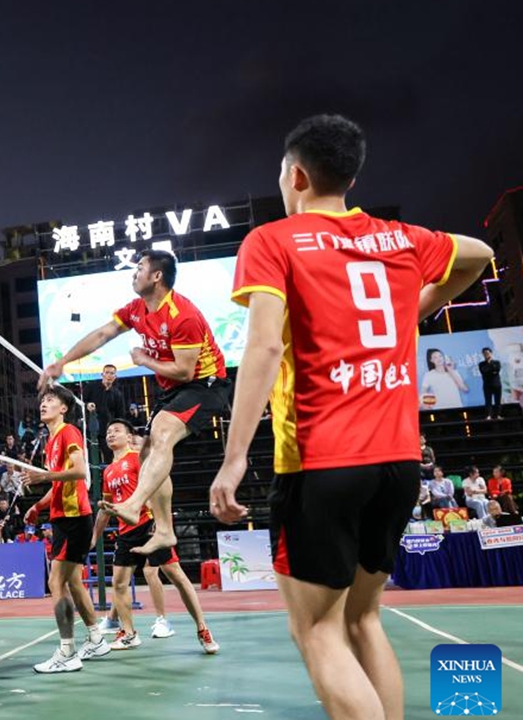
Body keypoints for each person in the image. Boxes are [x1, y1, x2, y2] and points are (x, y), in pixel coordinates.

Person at [209, 114, 493, 720]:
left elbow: (261, 349)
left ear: (298, 176)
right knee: (364, 619)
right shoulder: (398, 237)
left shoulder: (272, 241)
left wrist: (233, 460)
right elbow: (479, 255)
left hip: (322, 464)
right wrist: (416, 310)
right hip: (397, 463)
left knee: (317, 632)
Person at [42, 248, 230, 556]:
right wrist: (62, 361)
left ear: (156, 276)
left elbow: (184, 370)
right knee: (147, 454)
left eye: (140, 267)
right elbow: (103, 333)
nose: (134, 272)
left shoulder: (183, 315)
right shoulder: (137, 308)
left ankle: (133, 504)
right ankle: (166, 530)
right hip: (173, 389)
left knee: (163, 433)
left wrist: (144, 359)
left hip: (205, 384)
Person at [92, 419, 218, 655]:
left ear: (129, 437)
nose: (110, 434)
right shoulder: (108, 471)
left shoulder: (139, 458)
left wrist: (159, 522)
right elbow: (106, 508)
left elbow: (157, 487)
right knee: (118, 583)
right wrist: (94, 536)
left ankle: (202, 627)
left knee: (176, 576)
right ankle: (128, 633)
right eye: (108, 431)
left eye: (116, 430)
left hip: (148, 524)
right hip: (125, 532)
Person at [24, 384, 107, 673]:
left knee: (55, 583)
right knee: (72, 581)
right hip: (64, 517)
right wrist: (39, 506)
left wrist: (42, 476)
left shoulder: (68, 433)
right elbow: (60, 483)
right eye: (42, 400)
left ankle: (67, 650)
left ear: (64, 408)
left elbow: (81, 471)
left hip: (74, 518)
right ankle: (96, 637)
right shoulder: (50, 442)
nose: (43, 404)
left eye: (50, 400)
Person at [84, 365, 127, 460]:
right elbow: (80, 402)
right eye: (107, 372)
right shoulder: (91, 387)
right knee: (91, 458)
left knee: (110, 458)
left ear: (115, 377)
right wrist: (87, 405)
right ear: (102, 374)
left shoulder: (117, 394)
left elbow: (120, 415)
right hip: (91, 430)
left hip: (107, 431)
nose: (109, 375)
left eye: (112, 373)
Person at [479, 348, 503, 419]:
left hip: (497, 384)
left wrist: (490, 367)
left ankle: (498, 415)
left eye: (487, 353)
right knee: (488, 401)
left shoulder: (497, 362)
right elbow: (483, 371)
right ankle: (489, 415)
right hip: (487, 385)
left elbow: (497, 370)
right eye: (484, 353)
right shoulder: (481, 364)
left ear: (491, 353)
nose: (486, 354)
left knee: (497, 401)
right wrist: (491, 369)